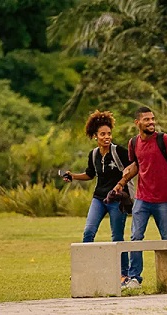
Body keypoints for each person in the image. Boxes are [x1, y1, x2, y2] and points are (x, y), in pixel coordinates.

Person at [113, 106, 167, 289]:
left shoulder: (164, 139)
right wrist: (122, 182)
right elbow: (137, 165)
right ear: (137, 123)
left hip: (164, 199)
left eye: (152, 119)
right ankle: (135, 278)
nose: (151, 122)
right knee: (136, 237)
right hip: (142, 198)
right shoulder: (133, 143)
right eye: (146, 119)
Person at [63, 110, 131, 284]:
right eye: (102, 134)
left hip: (116, 199)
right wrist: (73, 176)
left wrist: (122, 183)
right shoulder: (93, 154)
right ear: (95, 136)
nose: (107, 137)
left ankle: (123, 274)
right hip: (98, 198)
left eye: (109, 133)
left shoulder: (119, 151)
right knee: (88, 231)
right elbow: (90, 174)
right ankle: (85, 271)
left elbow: (134, 167)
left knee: (117, 237)